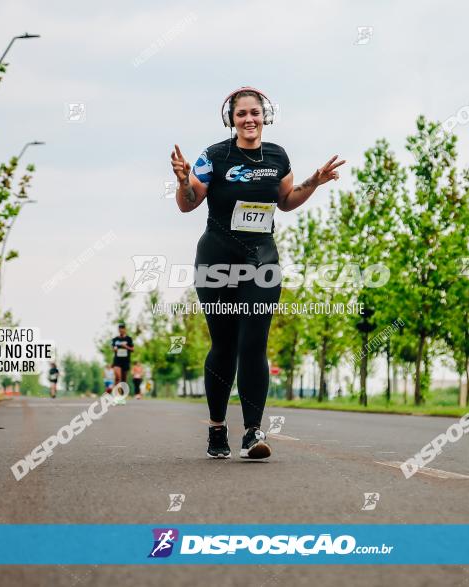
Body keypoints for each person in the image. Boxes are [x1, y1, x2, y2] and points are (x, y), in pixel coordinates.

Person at [170, 86, 344, 459]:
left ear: (265, 116)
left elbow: (286, 201)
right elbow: (188, 205)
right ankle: (217, 428)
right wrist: (184, 181)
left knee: (254, 345)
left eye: (255, 113)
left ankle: (252, 431)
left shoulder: (277, 156)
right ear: (231, 119)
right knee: (225, 346)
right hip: (216, 262)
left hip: (261, 263)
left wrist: (315, 180)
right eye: (241, 114)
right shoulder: (214, 156)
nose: (249, 120)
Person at [110, 323, 134, 388]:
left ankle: (122, 394)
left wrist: (126, 346)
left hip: (126, 361)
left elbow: (132, 349)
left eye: (122, 328)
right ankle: (115, 392)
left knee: (124, 380)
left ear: (125, 330)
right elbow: (112, 348)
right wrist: (114, 349)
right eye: (120, 329)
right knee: (118, 377)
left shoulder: (129, 339)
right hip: (117, 360)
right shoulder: (115, 339)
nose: (121, 330)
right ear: (118, 330)